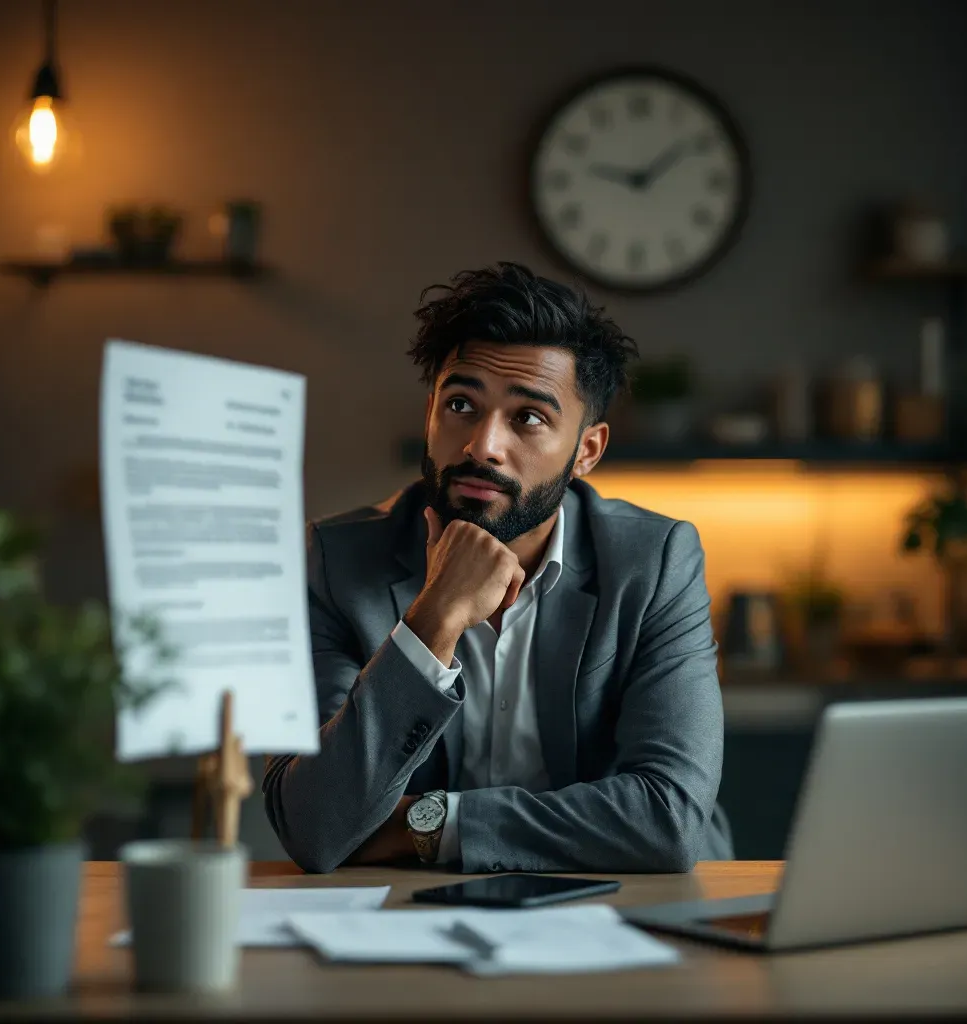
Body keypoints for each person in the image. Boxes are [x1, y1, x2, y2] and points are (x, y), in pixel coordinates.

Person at [263, 262, 733, 874]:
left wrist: (428, 824)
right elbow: (315, 824)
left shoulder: (654, 561)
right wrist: (434, 618)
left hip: (627, 904)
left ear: (587, 450)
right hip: (415, 919)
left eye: (528, 418)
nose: (483, 444)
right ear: (430, 412)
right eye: (461, 404)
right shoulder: (337, 561)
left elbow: (667, 818)